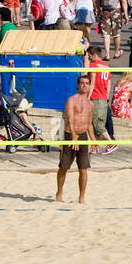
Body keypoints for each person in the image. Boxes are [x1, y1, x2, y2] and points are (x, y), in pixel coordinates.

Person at [56, 74, 95, 204]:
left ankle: (81, 197)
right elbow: (70, 119)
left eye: (87, 83)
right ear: (78, 85)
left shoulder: (90, 104)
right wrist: (73, 137)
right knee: (64, 167)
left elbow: (89, 124)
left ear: (89, 86)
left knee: (83, 168)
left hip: (83, 136)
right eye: (82, 83)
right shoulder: (71, 100)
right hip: (69, 135)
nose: (84, 85)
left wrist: (94, 140)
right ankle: (59, 192)